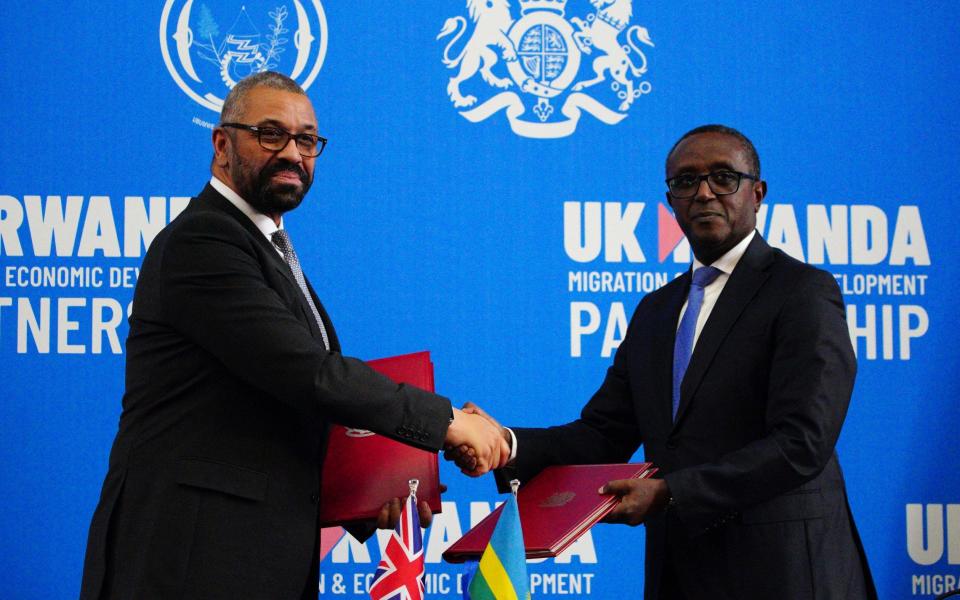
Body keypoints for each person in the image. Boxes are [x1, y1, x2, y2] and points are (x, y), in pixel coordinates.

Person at [80, 71, 509, 600]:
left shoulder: (266, 245)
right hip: (191, 563)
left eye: (306, 140)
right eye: (269, 134)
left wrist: (371, 491)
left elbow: (284, 408)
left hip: (260, 559)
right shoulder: (203, 239)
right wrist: (445, 421)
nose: (292, 152)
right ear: (221, 145)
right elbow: (308, 374)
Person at [449, 125, 877, 599]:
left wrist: (672, 492)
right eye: (686, 181)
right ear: (670, 200)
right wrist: (506, 445)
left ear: (758, 194)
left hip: (784, 571)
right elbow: (602, 435)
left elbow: (802, 442)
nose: (705, 192)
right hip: (682, 570)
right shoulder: (656, 310)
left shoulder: (801, 292)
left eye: (723, 177)